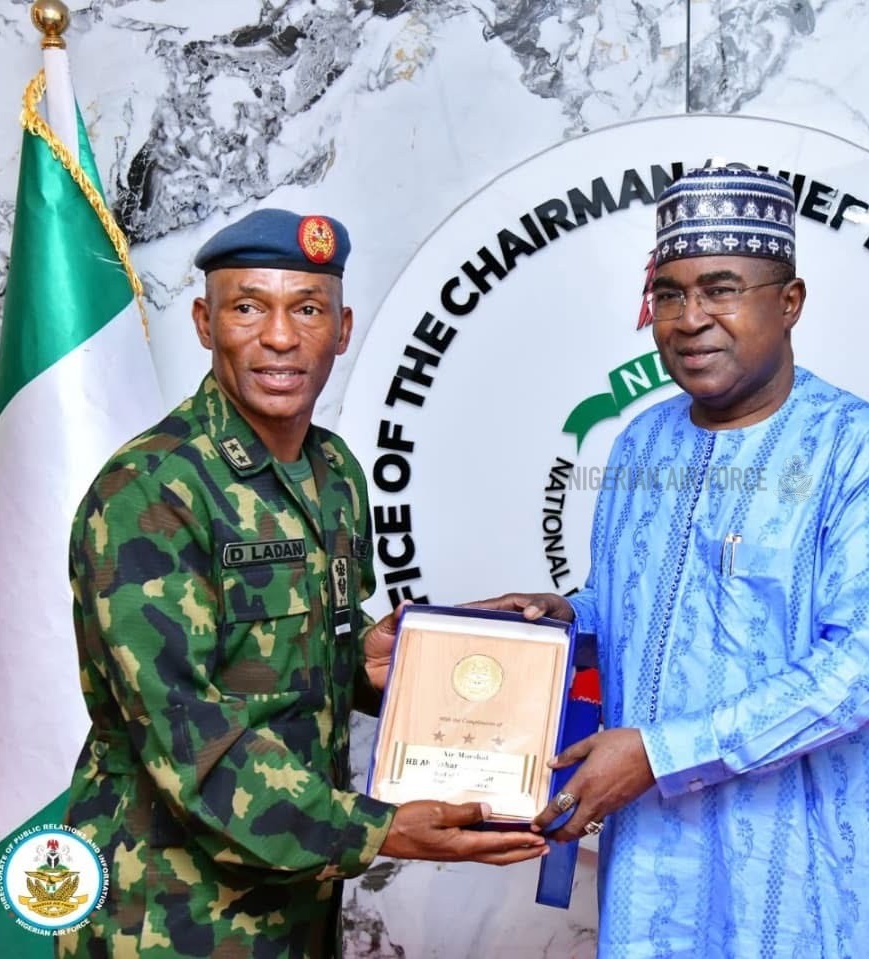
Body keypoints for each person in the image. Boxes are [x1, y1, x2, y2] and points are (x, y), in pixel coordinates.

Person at [60, 209, 546, 959]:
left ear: (342, 329)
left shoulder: (334, 472)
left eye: (308, 309)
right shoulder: (151, 489)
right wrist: (381, 830)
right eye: (249, 307)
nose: (281, 337)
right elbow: (188, 736)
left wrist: (398, 660)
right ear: (204, 322)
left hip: (297, 905)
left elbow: (285, 661)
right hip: (167, 914)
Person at [478, 168, 869, 958]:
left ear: (788, 302)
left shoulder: (864, 451)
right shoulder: (642, 440)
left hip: (803, 869)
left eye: (720, 291)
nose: (690, 320)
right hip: (655, 863)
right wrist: (562, 618)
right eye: (669, 295)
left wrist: (659, 753)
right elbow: (628, 607)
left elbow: (859, 669)